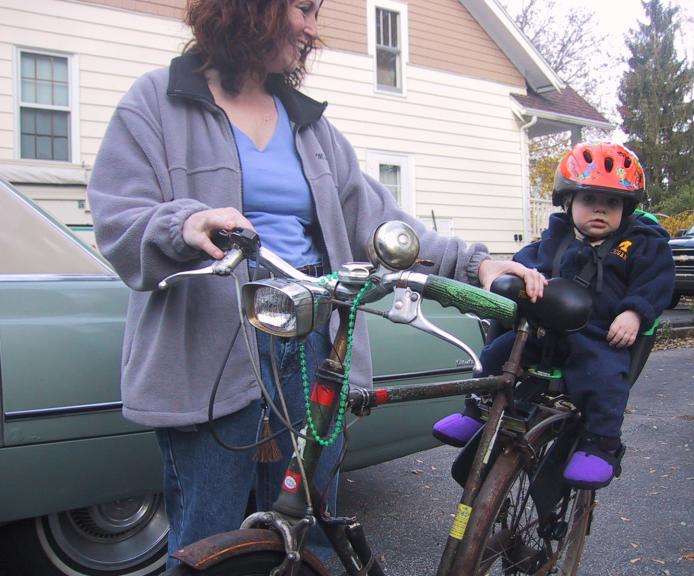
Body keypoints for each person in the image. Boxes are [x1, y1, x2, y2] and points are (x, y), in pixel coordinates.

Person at [86, 0, 524, 568]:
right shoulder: (158, 102)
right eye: (304, 9)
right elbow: (118, 219)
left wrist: (475, 265)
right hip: (208, 346)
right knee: (207, 535)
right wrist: (184, 223)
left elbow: (381, 224)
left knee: (311, 527)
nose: (314, 29)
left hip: (312, 338)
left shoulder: (309, 125)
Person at [433, 142, 674, 489]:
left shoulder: (640, 244)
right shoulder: (554, 239)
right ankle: (476, 409)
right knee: (496, 354)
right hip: (543, 331)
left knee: (605, 377)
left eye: (612, 203)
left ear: (627, 208)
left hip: (598, 334)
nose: (600, 209)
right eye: (589, 199)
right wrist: (518, 278)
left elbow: (656, 281)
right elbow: (524, 265)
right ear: (568, 201)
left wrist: (634, 312)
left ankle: (600, 443)